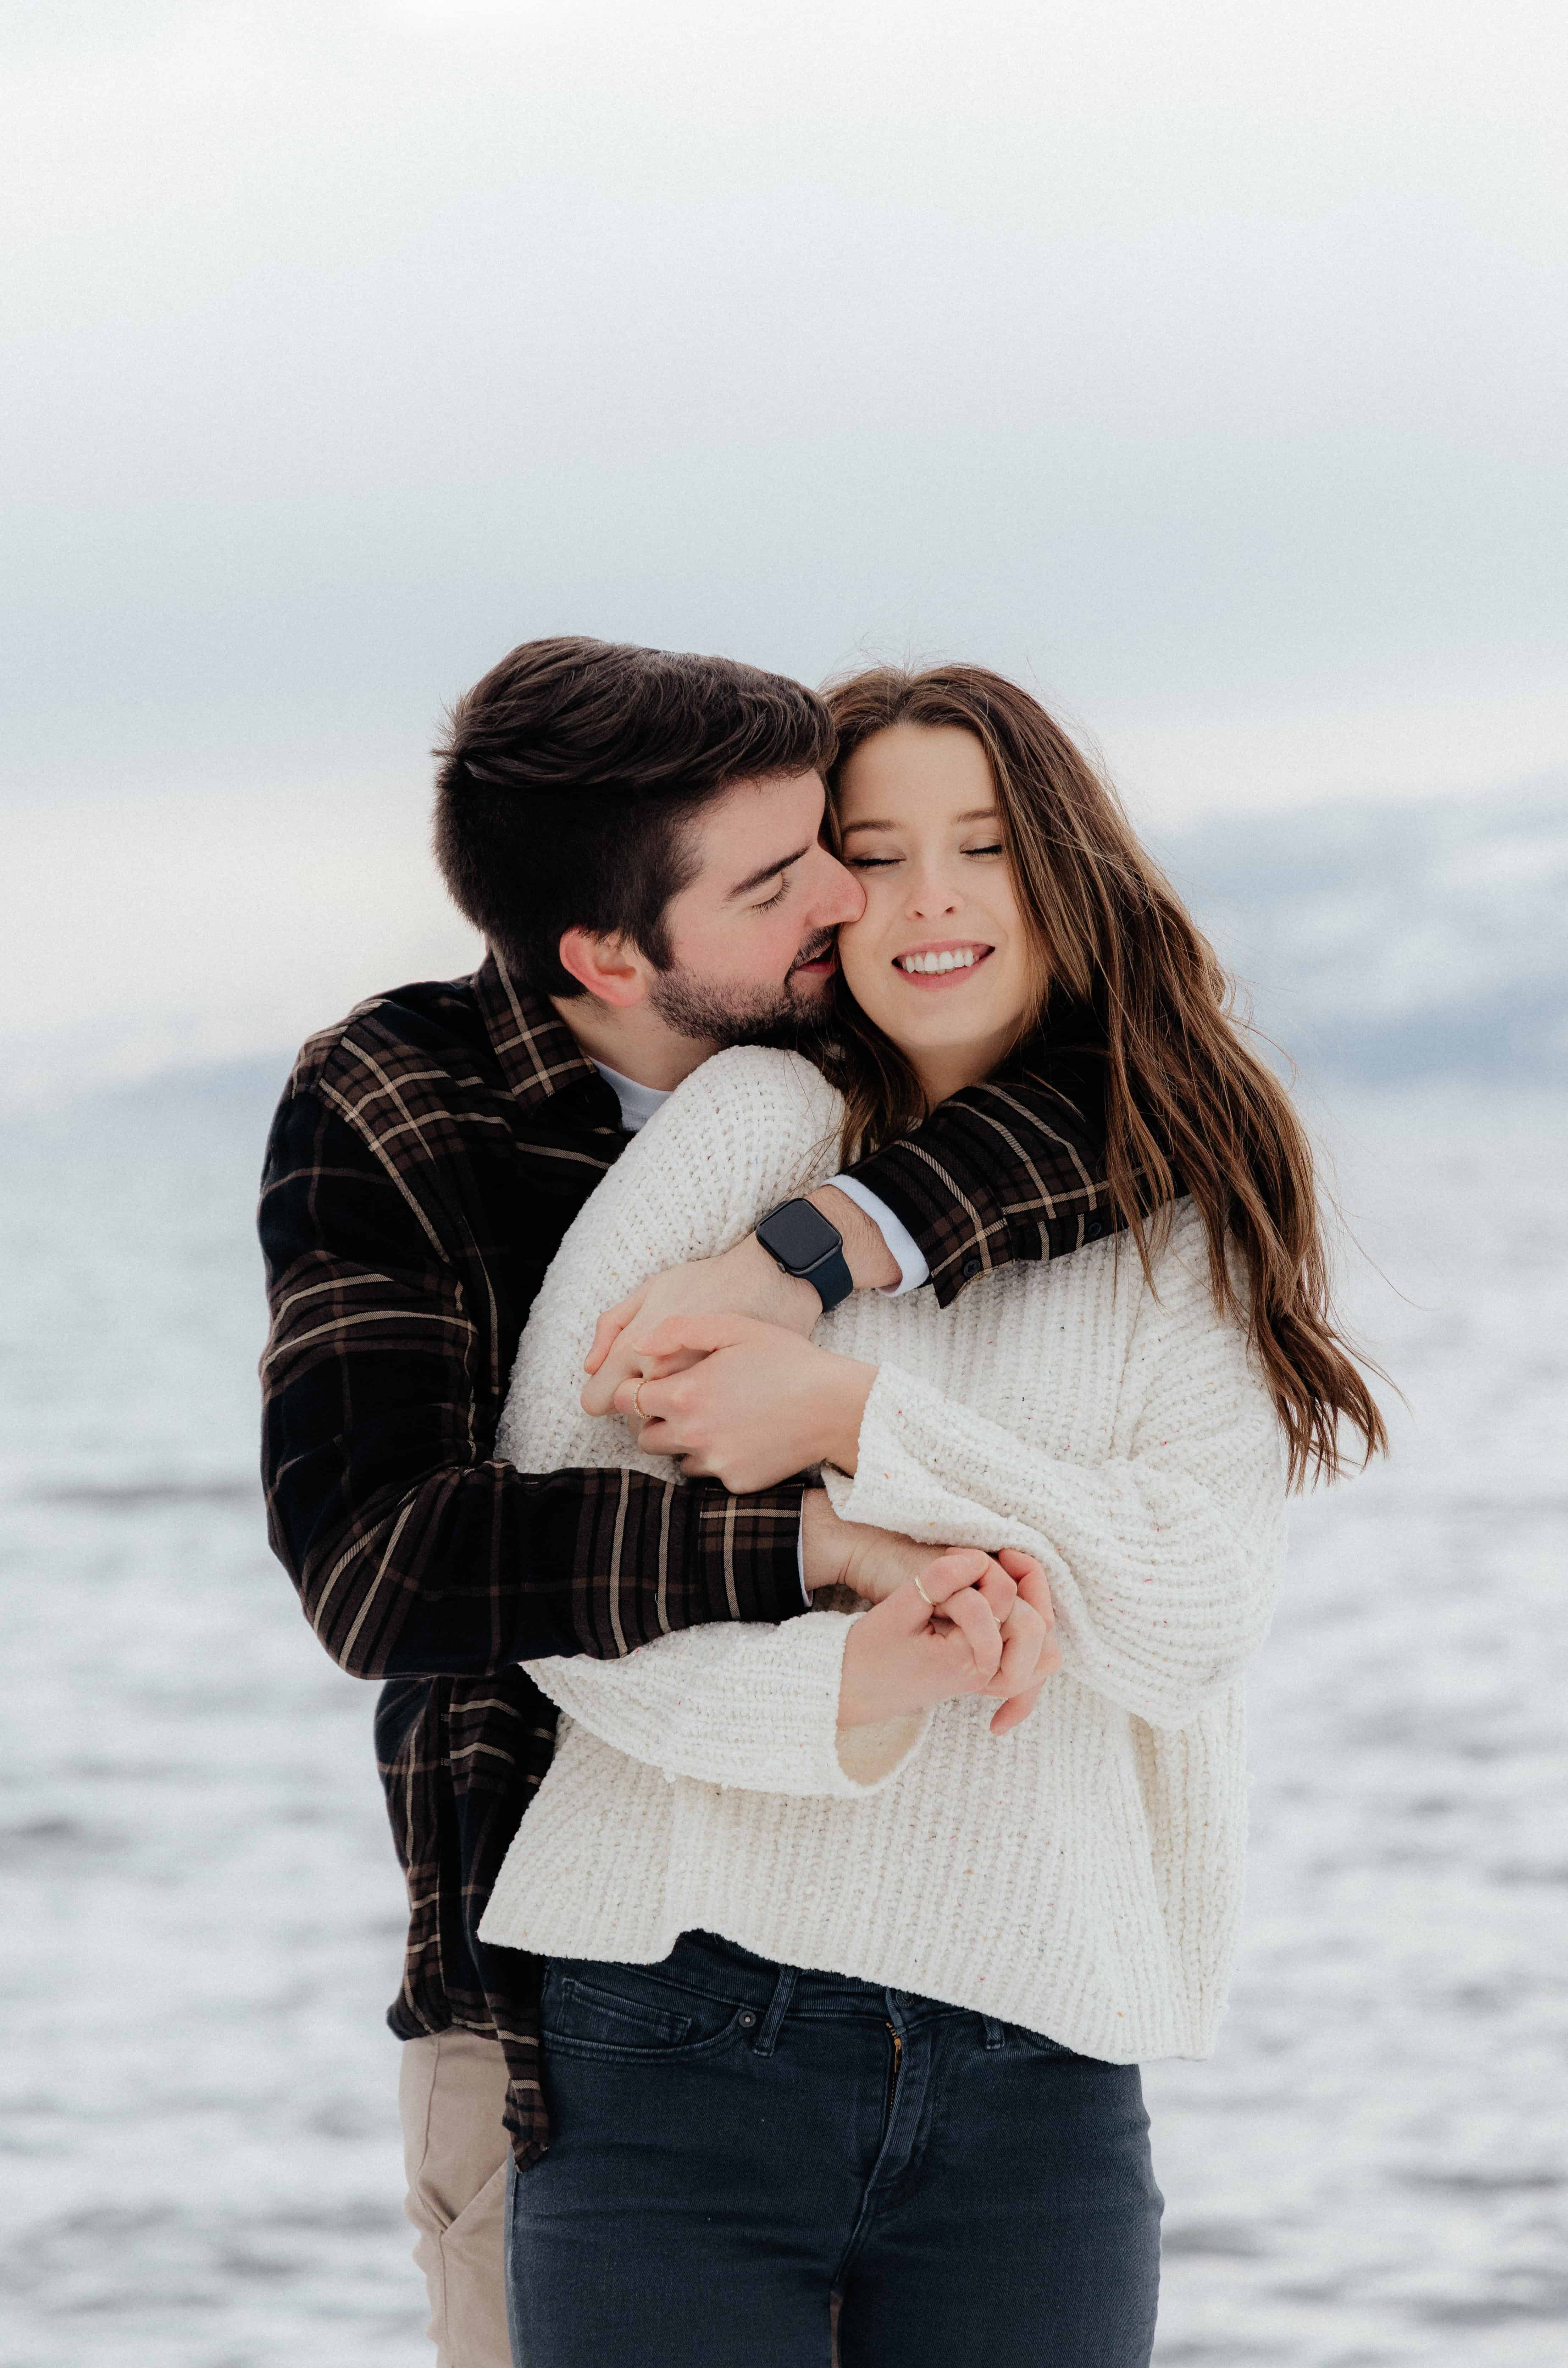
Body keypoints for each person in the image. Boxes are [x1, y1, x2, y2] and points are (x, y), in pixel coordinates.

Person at [476, 663, 1388, 2368]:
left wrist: (857, 1418)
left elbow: (1190, 1613)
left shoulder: (1172, 1210)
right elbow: (555, 1562)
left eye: (981, 843)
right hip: (682, 2021)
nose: (930, 898)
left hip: (1036, 2063)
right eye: (873, 853)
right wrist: (846, 1686)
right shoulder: (744, 1128)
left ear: (1065, 868)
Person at [257, 639, 1128, 2368]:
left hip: (940, 1981)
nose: (845, 898)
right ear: (605, 953)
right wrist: (815, 1540)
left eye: (830, 839)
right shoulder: (405, 1098)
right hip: (553, 2009)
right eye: (774, 880)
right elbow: (381, 1565)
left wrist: (802, 1252)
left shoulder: (875, 1044)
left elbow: (1142, 1093)